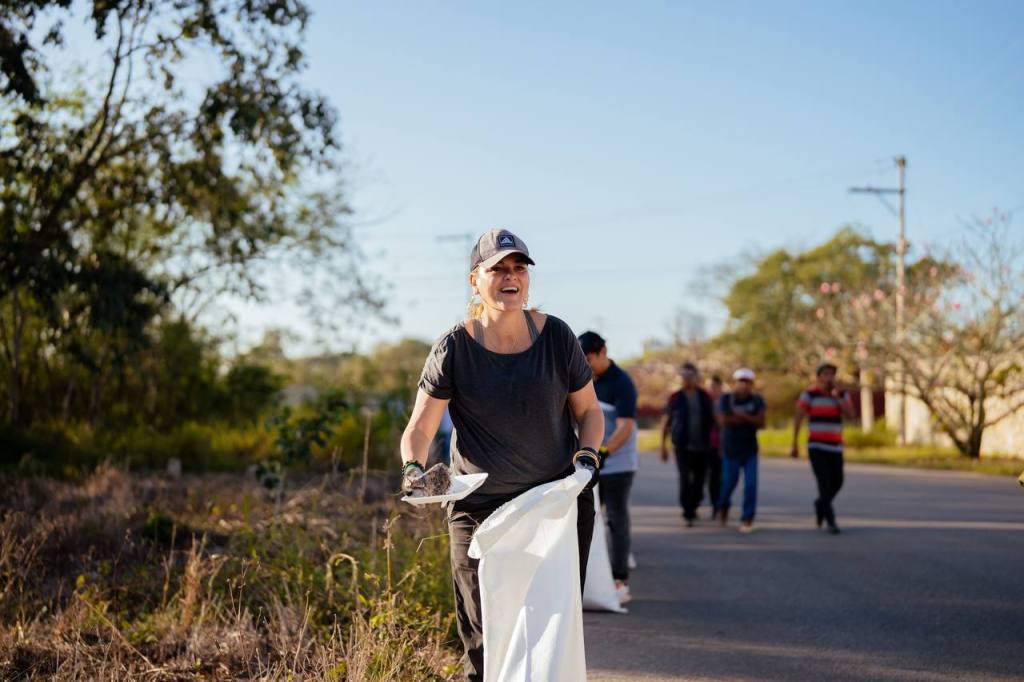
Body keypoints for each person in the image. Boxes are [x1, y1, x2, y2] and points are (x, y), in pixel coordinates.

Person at [399, 228, 605, 682]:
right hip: (479, 512)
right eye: (498, 269)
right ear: (476, 280)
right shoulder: (454, 347)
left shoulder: (557, 337)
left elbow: (588, 411)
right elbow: (419, 428)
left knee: (547, 629)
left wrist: (587, 455)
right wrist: (413, 468)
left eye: (518, 268)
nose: (510, 277)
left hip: (554, 507)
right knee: (484, 633)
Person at [578, 330, 638, 606]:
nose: (586, 364)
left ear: (603, 352)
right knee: (587, 519)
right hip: (588, 464)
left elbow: (625, 427)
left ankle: (620, 580)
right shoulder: (585, 380)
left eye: (589, 358)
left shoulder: (622, 383)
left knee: (616, 519)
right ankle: (589, 581)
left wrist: (601, 452)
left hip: (617, 464)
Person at [790, 362, 855, 534]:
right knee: (824, 484)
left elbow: (850, 416)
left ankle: (820, 504)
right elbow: (798, 417)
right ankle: (831, 520)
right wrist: (794, 444)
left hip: (835, 447)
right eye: (825, 374)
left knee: (838, 482)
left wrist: (837, 398)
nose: (828, 378)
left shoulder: (842, 393)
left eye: (831, 374)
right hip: (816, 446)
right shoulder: (809, 394)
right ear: (818, 377)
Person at [661, 363, 716, 527]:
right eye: (684, 376)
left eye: (690, 376)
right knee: (685, 479)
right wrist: (663, 445)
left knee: (700, 480)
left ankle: (695, 503)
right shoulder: (675, 397)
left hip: (703, 446)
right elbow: (667, 420)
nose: (687, 379)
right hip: (682, 446)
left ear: (696, 377)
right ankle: (688, 513)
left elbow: (714, 420)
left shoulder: (705, 396)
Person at [717, 368, 766, 533]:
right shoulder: (727, 399)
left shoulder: (757, 400)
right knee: (729, 482)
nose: (744, 385)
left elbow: (761, 422)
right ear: (735, 383)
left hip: (750, 449)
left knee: (751, 484)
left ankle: (747, 517)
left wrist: (741, 417)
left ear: (752, 384)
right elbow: (724, 421)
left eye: (747, 382)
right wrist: (749, 419)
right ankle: (723, 505)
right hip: (731, 449)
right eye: (741, 381)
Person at [705, 374, 724, 518]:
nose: (711, 390)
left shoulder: (725, 403)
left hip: (723, 445)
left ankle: (721, 504)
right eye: (709, 387)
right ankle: (715, 505)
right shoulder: (703, 402)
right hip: (707, 446)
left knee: (721, 477)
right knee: (711, 477)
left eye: (714, 387)